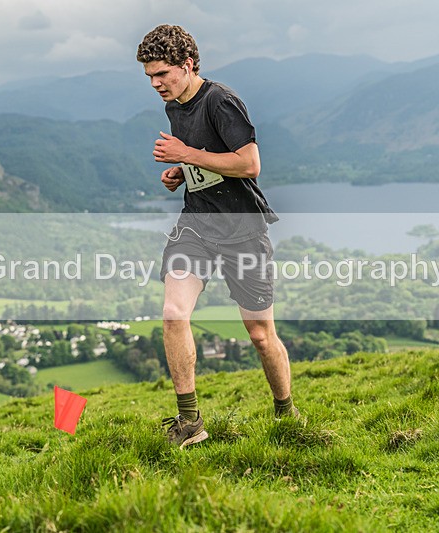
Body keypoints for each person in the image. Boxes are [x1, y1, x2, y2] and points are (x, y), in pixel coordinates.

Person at [136, 24, 298, 448]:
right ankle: (190, 422)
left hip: (243, 229)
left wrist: (185, 155)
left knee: (261, 335)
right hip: (198, 224)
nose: (155, 84)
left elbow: (248, 164)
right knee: (174, 312)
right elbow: (207, 162)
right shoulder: (175, 105)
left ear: (187, 66)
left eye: (162, 75)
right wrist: (181, 174)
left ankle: (286, 414)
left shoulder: (221, 100)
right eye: (150, 77)